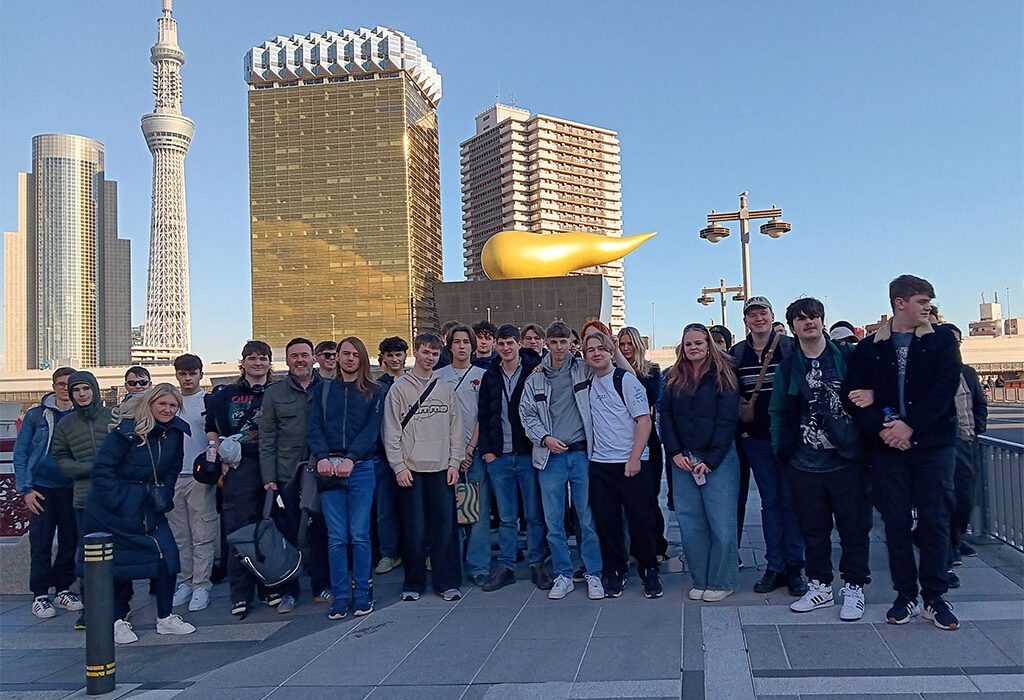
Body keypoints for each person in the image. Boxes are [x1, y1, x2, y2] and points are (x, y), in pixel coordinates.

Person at [848, 275, 962, 630]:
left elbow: (945, 388)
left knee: (934, 520)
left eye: (929, 300)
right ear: (899, 302)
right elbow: (853, 394)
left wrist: (910, 426)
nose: (927, 306)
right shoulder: (869, 348)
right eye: (920, 300)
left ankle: (935, 596)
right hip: (887, 448)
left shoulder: (941, 340)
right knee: (896, 522)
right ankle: (905, 594)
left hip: (933, 445)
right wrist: (884, 429)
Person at [769, 299, 871, 620]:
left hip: (845, 460)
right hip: (804, 463)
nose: (808, 322)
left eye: (813, 316)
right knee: (813, 530)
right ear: (792, 327)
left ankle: (854, 587)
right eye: (800, 319)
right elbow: (777, 411)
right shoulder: (788, 366)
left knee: (853, 528)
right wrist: (781, 451)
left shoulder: (847, 357)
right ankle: (821, 586)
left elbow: (870, 391)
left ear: (822, 320)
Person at [81, 383, 196, 643]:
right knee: (117, 567)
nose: (168, 410)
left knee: (168, 557)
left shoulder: (176, 434)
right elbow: (102, 470)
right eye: (163, 404)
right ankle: (117, 621)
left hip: (149, 506)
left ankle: (165, 618)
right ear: (150, 404)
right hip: (111, 510)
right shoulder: (125, 432)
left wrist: (164, 495)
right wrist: (121, 501)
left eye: (173, 405)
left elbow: (171, 470)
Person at [519, 322, 605, 600]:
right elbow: (527, 415)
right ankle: (563, 574)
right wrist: (544, 438)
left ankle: (594, 573)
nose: (558, 348)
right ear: (547, 343)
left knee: (587, 517)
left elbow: (610, 362)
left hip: (581, 454)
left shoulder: (584, 369)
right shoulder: (535, 379)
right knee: (553, 521)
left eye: (563, 342)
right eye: (553, 342)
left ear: (571, 343)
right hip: (550, 456)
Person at [730, 296, 807, 596]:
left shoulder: (790, 347)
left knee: (791, 503)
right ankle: (774, 566)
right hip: (757, 442)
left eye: (763, 313)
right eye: (752, 314)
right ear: (745, 321)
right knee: (770, 504)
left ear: (772, 316)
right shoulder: (737, 354)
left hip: (789, 439)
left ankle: (795, 567)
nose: (758, 318)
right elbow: (732, 397)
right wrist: (743, 433)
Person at [381, 333, 464, 602]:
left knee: (446, 528)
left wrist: (455, 463)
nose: (430, 357)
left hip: (441, 468)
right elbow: (391, 431)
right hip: (411, 470)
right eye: (426, 352)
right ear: (415, 352)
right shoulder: (399, 388)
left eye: (435, 353)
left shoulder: (445, 387)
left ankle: (447, 582)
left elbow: (456, 428)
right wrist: (399, 466)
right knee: (413, 530)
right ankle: (413, 582)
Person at [661, 323, 740, 601]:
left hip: (716, 460)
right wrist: (674, 452)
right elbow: (666, 417)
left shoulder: (723, 375)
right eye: (688, 343)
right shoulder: (673, 377)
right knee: (690, 523)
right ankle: (701, 578)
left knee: (721, 523)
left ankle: (722, 581)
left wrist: (713, 459)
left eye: (698, 342)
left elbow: (728, 419)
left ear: (708, 345)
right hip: (683, 459)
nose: (693, 348)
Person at [308, 337, 383, 619]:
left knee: (360, 535)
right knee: (337, 538)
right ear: (337, 357)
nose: (350, 358)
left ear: (362, 359)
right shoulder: (323, 390)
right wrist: (324, 457)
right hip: (328, 468)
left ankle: (362, 593)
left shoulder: (374, 392)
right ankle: (340, 595)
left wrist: (351, 458)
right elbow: (313, 427)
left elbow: (372, 429)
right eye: (345, 354)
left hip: (361, 467)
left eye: (355, 354)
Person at [584, 331, 662, 598]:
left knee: (641, 521)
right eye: (590, 349)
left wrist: (634, 458)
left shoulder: (626, 380)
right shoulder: (587, 383)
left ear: (610, 352)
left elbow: (644, 420)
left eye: (601, 348)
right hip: (600, 464)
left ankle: (649, 570)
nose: (596, 353)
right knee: (607, 523)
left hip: (632, 463)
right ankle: (614, 571)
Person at [258, 339, 331, 610]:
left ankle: (322, 586)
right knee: (286, 535)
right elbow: (266, 439)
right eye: (294, 356)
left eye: (304, 355)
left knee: (321, 532)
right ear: (286, 361)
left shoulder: (328, 389)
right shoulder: (274, 393)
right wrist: (269, 478)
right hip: (287, 474)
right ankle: (289, 590)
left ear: (314, 358)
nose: (300, 360)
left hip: (321, 472)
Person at [206, 341, 276, 618]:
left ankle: (271, 584)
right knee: (237, 531)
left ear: (270, 362)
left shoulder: (278, 391)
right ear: (243, 362)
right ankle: (240, 593)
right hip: (238, 465)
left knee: (270, 528)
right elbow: (212, 430)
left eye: (262, 358)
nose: (257, 363)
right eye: (252, 358)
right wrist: (219, 458)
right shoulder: (225, 395)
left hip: (271, 464)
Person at [478, 324, 550, 592]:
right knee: (506, 517)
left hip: (527, 453)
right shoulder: (490, 375)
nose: (506, 348)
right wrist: (487, 451)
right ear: (496, 346)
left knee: (533, 514)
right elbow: (484, 415)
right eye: (501, 344)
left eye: (510, 343)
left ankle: (537, 563)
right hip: (499, 455)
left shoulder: (534, 370)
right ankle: (507, 565)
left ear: (519, 343)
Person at [15, 367, 81, 620]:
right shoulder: (36, 415)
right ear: (54, 386)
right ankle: (40, 594)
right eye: (62, 384)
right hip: (41, 488)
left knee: (70, 541)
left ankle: (64, 588)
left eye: (71, 384)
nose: (66, 389)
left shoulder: (82, 416)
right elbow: (21, 453)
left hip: (71, 487)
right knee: (40, 541)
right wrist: (26, 489)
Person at [52, 371, 110, 628]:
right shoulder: (65, 424)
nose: (82, 394)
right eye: (77, 390)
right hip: (84, 498)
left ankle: (121, 607)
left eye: (86, 389)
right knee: (87, 556)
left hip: (115, 496)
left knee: (120, 555)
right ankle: (89, 611)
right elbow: (60, 457)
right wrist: (85, 469)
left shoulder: (114, 417)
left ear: (95, 390)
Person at [434, 325, 490, 586]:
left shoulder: (482, 375)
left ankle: (478, 565)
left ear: (473, 346)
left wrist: (468, 449)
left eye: (466, 342)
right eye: (456, 342)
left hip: (474, 453)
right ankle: (451, 564)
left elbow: (484, 415)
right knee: (450, 512)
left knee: (477, 511)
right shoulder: (437, 377)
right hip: (446, 455)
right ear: (450, 346)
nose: (462, 347)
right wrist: (453, 454)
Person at [939, 325, 987, 584]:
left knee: (965, 498)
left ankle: (956, 538)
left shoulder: (967, 373)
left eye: (957, 342)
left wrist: (976, 430)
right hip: (938, 444)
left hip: (964, 442)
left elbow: (979, 403)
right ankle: (945, 552)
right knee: (940, 499)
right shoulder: (932, 370)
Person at [617, 326, 668, 561]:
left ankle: (657, 544)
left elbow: (642, 394)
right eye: (621, 344)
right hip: (620, 441)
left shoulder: (651, 370)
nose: (625, 349)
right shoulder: (610, 371)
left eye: (629, 344)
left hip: (648, 439)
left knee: (649, 495)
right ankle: (631, 545)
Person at [374, 336, 409, 575]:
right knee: (385, 509)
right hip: (383, 455)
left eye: (399, 355)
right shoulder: (376, 387)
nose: (395, 359)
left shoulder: (415, 381)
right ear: (383, 358)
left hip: (413, 454)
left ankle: (421, 551)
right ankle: (389, 553)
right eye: (391, 355)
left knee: (416, 508)